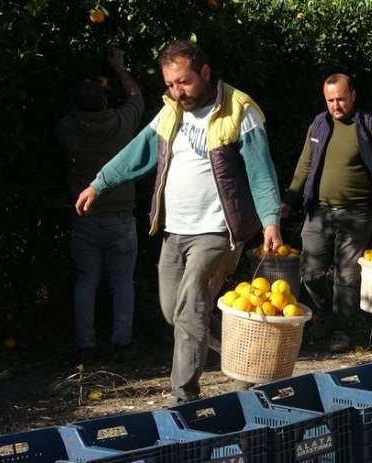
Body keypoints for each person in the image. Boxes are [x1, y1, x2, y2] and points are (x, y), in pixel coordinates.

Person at [74, 39, 283, 404]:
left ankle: (183, 398)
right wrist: (99, 183)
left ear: (204, 72)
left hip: (219, 232)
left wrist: (270, 221)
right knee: (177, 313)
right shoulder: (171, 112)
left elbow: (261, 172)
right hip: (174, 232)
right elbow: (136, 151)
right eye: (170, 84)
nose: (177, 91)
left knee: (189, 310)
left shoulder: (239, 110)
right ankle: (246, 355)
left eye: (183, 82)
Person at [282, 73, 372, 352]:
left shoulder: (366, 126)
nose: (336, 105)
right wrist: (289, 199)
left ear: (353, 96)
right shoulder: (319, 124)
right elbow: (304, 165)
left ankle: (343, 330)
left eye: (341, 99)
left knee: (347, 276)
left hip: (357, 213)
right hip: (319, 211)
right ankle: (325, 315)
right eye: (330, 100)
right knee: (310, 271)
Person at [56, 48, 144, 363]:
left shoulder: (68, 128)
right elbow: (136, 96)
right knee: (123, 281)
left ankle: (85, 345)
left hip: (86, 218)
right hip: (121, 217)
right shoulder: (122, 122)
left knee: (86, 281)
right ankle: (122, 342)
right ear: (107, 101)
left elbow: (65, 118)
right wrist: (119, 67)